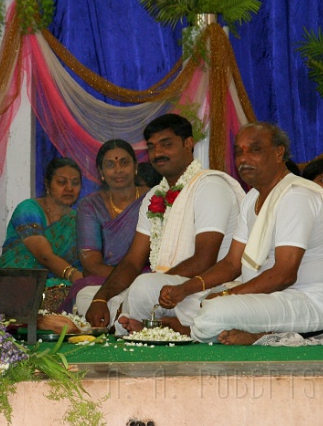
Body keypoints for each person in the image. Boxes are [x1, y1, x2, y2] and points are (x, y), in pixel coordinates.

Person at [80, 113, 244, 334]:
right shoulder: (155, 196)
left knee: (143, 287)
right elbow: (131, 262)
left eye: (166, 145)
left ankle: (138, 321)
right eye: (152, 147)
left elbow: (205, 260)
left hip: (205, 288)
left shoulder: (210, 186)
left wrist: (152, 288)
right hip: (164, 288)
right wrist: (101, 298)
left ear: (188, 144)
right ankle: (147, 321)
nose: (157, 153)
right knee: (87, 296)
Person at [181, 123, 323, 344]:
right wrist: (185, 288)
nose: (244, 159)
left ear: (278, 152)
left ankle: (187, 330)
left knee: (213, 313)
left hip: (309, 301)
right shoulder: (252, 199)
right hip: (269, 296)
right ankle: (250, 332)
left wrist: (228, 295)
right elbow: (231, 264)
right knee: (188, 302)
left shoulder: (296, 196)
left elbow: (284, 275)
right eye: (239, 152)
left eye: (254, 149)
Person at [58, 141, 148, 311]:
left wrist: (141, 280)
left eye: (124, 162)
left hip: (146, 278)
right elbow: (91, 264)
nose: (118, 170)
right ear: (101, 172)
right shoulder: (90, 205)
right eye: (110, 165)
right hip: (105, 280)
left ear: (135, 167)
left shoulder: (153, 197)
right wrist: (125, 279)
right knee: (87, 300)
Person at [0, 157, 84, 286]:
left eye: (75, 183)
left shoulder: (78, 219)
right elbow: (44, 256)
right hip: (17, 283)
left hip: (61, 284)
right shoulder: (28, 209)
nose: (69, 188)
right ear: (47, 184)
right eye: (61, 182)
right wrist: (75, 276)